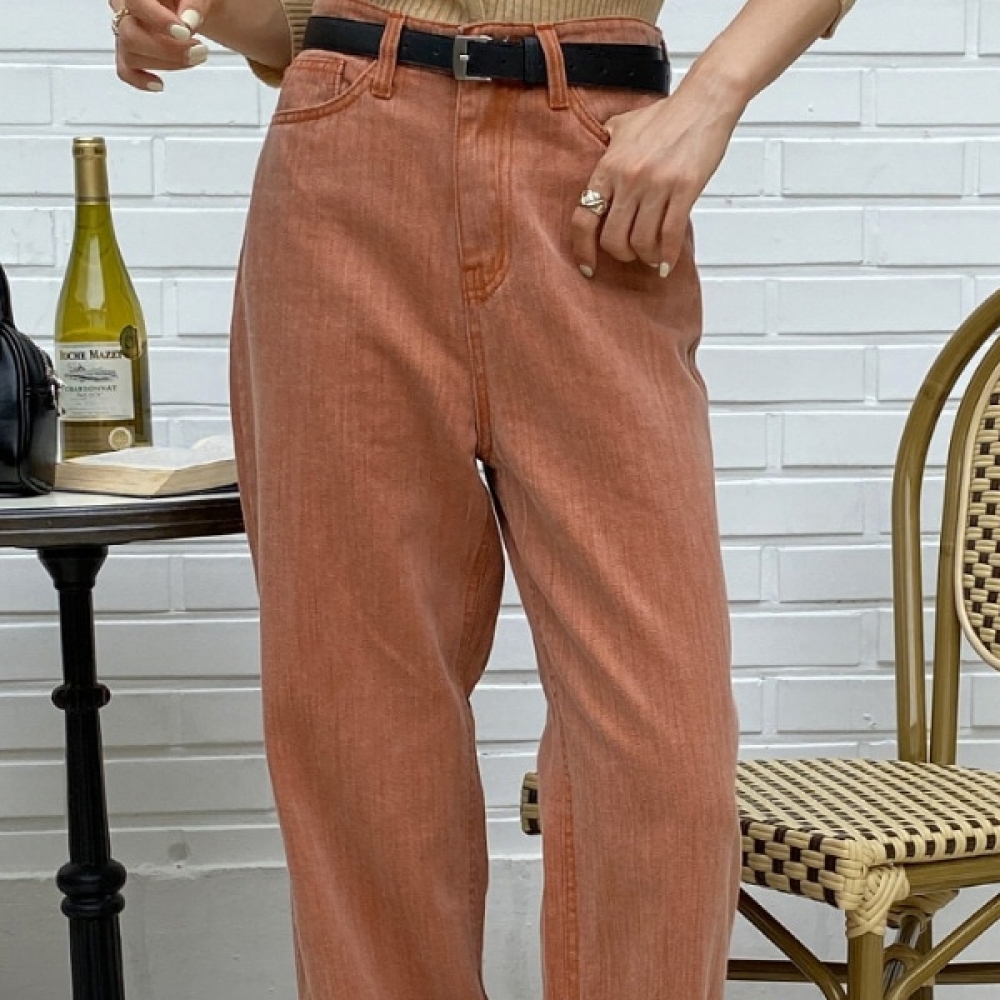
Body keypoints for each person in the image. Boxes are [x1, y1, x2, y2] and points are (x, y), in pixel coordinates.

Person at [107, 0, 855, 997]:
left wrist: (713, 96)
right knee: (358, 720)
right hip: (347, 156)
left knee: (661, 746)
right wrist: (188, 13)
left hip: (597, 174)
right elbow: (291, 21)